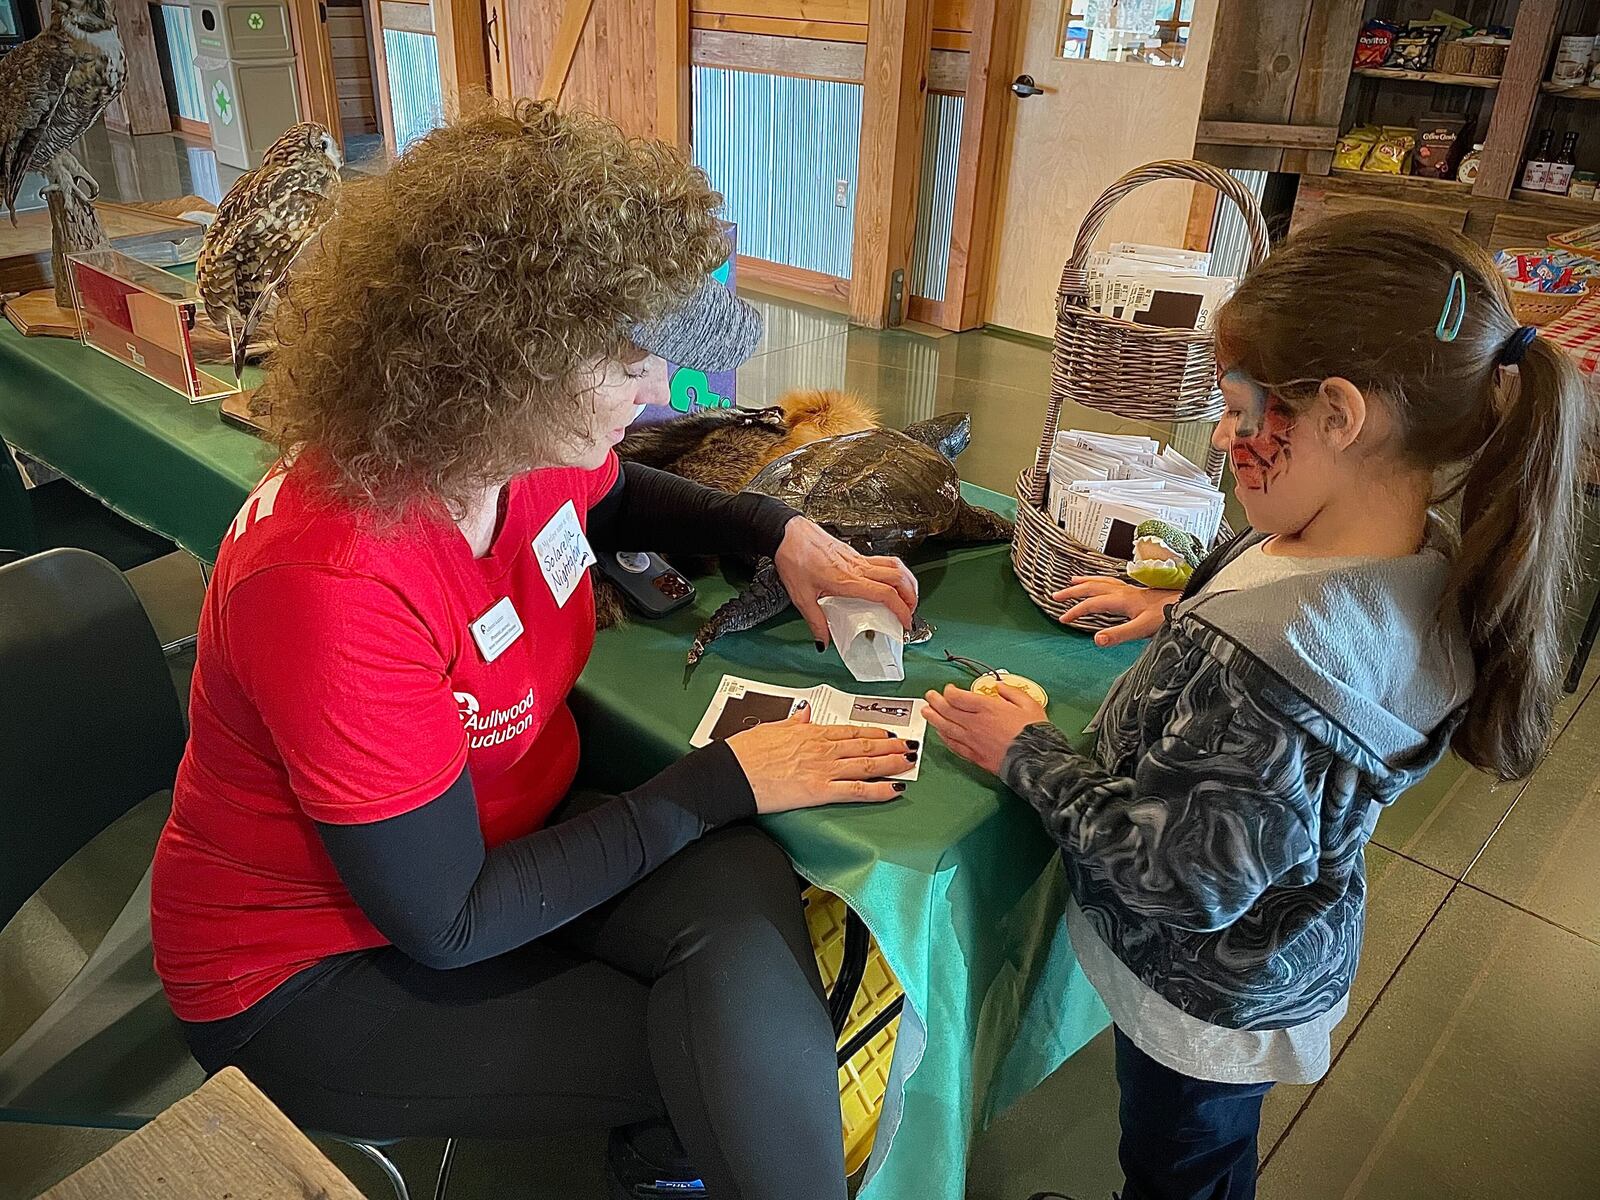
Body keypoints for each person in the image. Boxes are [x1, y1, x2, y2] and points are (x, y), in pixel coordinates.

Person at [150, 101, 924, 1200]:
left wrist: (776, 530)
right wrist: (722, 780)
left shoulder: (508, 442)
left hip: (500, 845)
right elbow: (450, 920)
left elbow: (610, 497)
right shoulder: (334, 584)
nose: (662, 393)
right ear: (508, 363)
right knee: (725, 1054)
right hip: (310, 973)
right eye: (634, 367)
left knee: (746, 922)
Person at [921, 211, 1586, 1200]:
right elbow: (1282, 606)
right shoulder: (1414, 551)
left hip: (1202, 997)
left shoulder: (1267, 675)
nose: (1226, 437)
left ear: (1338, 415)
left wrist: (1027, 751)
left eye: (1239, 408)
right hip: (1274, 959)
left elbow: (1180, 881)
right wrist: (1179, 609)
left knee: (1180, 1167)